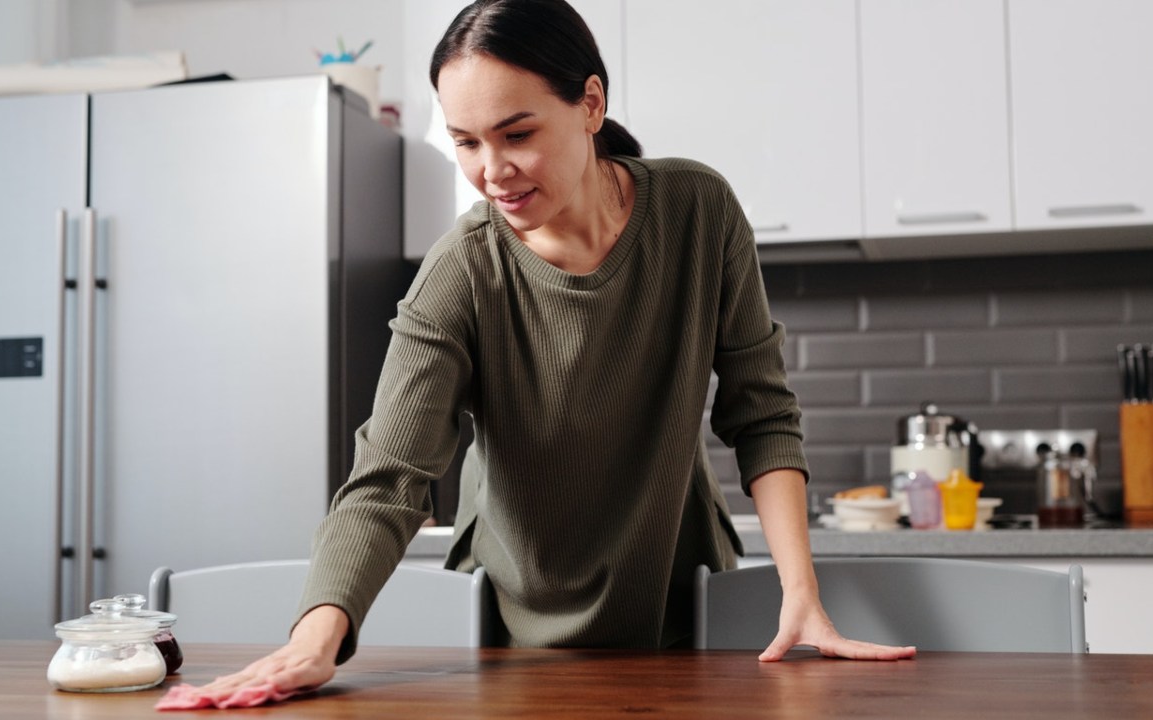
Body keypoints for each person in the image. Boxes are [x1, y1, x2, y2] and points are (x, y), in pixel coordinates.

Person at [188, 0, 916, 705]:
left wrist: (801, 595)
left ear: (591, 104)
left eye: (516, 133)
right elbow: (388, 478)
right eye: (467, 141)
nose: (492, 169)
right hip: (515, 631)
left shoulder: (699, 211)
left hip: (680, 599)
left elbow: (760, 412)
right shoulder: (462, 271)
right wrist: (318, 638)